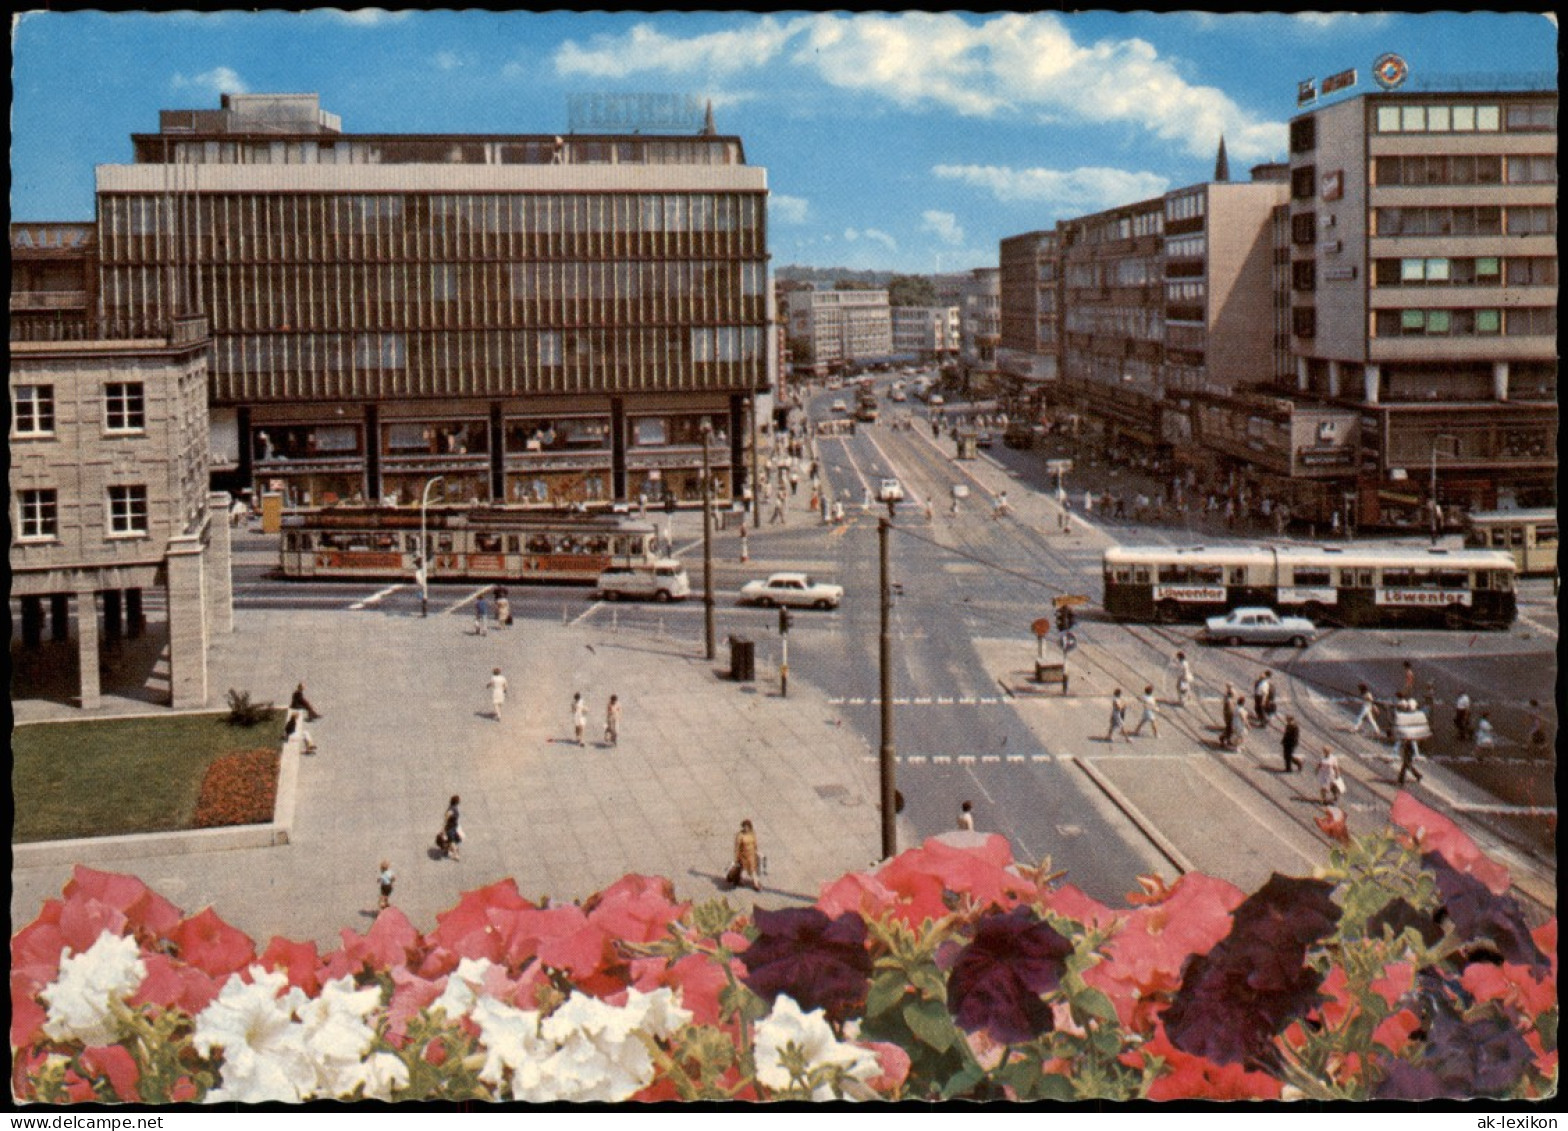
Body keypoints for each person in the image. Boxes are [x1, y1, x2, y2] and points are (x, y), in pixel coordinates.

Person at [733, 819, 762, 891]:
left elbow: (755, 843)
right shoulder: (740, 835)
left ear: (749, 827)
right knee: (744, 868)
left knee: (753, 870)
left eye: (747, 827)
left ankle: (755, 883)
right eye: (744, 827)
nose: (746, 828)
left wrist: (756, 852)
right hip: (744, 855)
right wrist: (736, 858)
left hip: (752, 855)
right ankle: (744, 881)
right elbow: (737, 847)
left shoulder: (752, 833)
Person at [441, 796, 463, 861]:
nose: (459, 801)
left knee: (454, 840)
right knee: (452, 841)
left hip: (454, 827)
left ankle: (446, 850)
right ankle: (455, 855)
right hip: (451, 828)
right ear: (456, 801)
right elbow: (446, 817)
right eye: (458, 800)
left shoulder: (453, 807)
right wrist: (444, 828)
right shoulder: (452, 809)